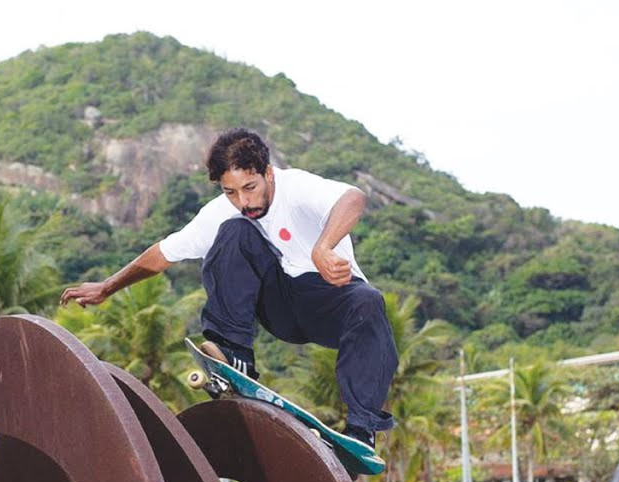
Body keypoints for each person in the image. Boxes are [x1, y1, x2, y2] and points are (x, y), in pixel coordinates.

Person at [60, 128, 397, 448]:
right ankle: (234, 354)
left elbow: (353, 198)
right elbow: (163, 254)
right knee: (235, 231)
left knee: (369, 300)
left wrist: (323, 247)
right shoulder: (224, 212)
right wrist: (107, 287)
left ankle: (362, 429)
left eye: (250, 187)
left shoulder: (296, 187)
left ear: (268, 173)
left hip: (330, 301)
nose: (243, 201)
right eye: (231, 192)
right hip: (280, 307)